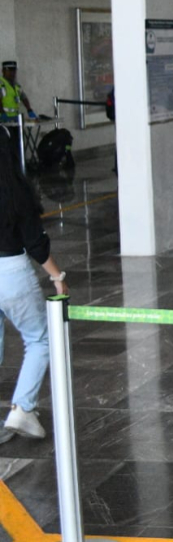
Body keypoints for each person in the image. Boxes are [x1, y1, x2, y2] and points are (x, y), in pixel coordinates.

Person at [0, 131, 68, 442]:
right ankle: (23, 409)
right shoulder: (15, 191)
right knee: (39, 339)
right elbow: (35, 244)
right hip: (9, 271)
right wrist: (57, 277)